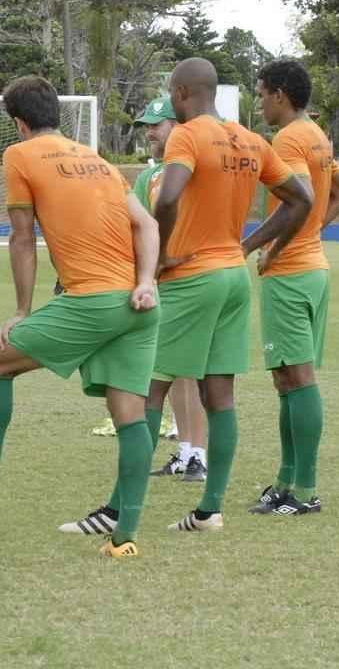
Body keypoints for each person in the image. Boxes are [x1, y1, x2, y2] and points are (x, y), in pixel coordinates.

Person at [0, 77, 161, 557]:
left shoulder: (20, 155)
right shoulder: (97, 159)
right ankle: (124, 540)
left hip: (91, 303)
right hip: (138, 307)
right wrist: (147, 281)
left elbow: (22, 237)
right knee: (131, 417)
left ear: (18, 122)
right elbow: (148, 223)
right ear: (58, 113)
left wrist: (21, 311)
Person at [150, 57, 310, 533]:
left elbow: (169, 196)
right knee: (219, 395)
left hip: (191, 277)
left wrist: (156, 257)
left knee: (147, 390)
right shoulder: (252, 140)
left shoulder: (187, 134)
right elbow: (302, 197)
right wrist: (249, 246)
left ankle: (121, 511)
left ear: (180, 93)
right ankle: (209, 509)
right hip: (232, 278)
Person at [250, 59, 339, 516]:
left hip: (291, 273)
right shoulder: (318, 136)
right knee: (286, 379)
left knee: (299, 378)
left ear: (280, 94)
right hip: (312, 269)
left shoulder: (289, 137)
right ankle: (286, 481)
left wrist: (264, 248)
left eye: (261, 93)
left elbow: (302, 198)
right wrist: (313, 233)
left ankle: (305, 491)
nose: (258, 102)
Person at [133, 97, 208, 483]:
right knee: (174, 371)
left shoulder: (190, 167)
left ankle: (200, 453)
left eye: (156, 124)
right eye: (146, 125)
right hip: (162, 285)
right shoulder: (148, 177)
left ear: (176, 127)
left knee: (191, 372)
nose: (149, 132)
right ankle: (184, 450)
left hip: (192, 281)